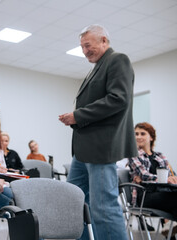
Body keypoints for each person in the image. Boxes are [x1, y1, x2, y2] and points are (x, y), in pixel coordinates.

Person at [59, 24, 137, 240]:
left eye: (88, 45)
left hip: (101, 147)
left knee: (103, 205)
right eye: (82, 47)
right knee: (75, 203)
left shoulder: (118, 60)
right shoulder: (97, 68)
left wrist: (78, 115)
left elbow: (118, 99)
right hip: (83, 151)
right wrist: (77, 116)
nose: (85, 51)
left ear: (104, 40)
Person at [128, 122, 177, 237]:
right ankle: (169, 225)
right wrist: (164, 179)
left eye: (142, 134)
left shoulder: (160, 156)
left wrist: (168, 179)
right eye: (136, 134)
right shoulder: (134, 154)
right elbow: (144, 175)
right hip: (145, 196)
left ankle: (169, 227)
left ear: (151, 137)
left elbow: (170, 176)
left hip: (162, 194)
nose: (138, 137)